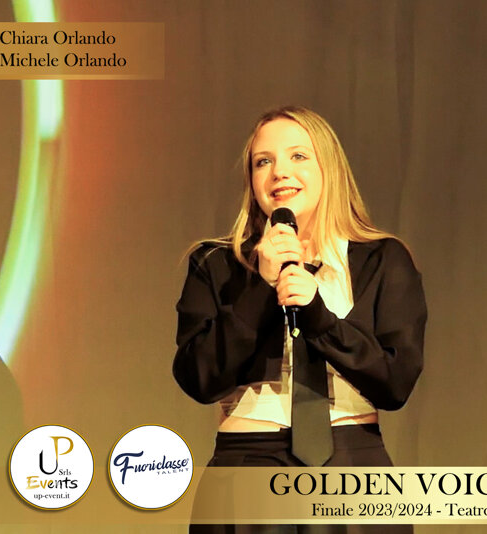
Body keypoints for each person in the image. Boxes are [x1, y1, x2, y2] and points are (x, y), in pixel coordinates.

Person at [173, 106, 426, 534]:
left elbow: (396, 383)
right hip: (247, 468)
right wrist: (261, 288)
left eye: (298, 156)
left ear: (329, 168)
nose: (279, 173)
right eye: (263, 161)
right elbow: (198, 378)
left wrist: (318, 317)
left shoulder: (383, 260)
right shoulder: (216, 263)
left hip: (353, 466)